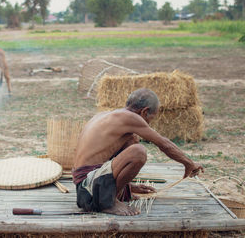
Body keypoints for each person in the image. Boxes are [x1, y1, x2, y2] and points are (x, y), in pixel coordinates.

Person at [72, 88, 204, 216]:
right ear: (144, 112)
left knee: (132, 139)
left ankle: (116, 192)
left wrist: (130, 186)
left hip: (85, 187)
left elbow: (102, 157)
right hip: (89, 189)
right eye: (151, 118)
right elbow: (164, 144)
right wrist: (188, 163)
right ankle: (109, 202)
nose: (148, 123)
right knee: (138, 151)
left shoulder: (106, 115)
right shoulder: (130, 118)